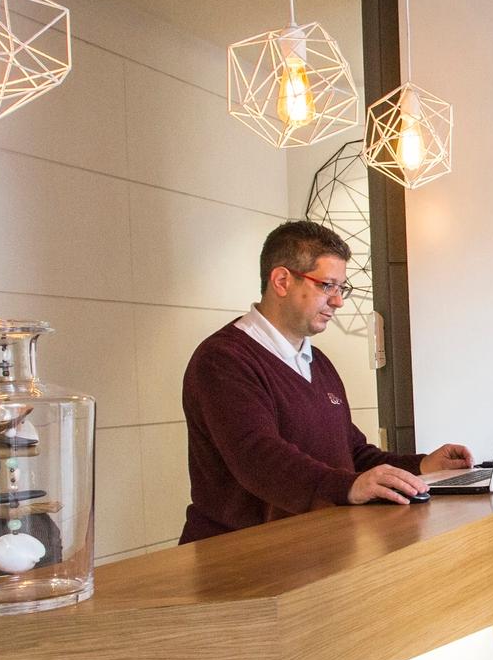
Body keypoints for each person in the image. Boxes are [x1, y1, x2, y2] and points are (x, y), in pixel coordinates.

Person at [179, 219, 471, 543]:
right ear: (281, 281)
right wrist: (347, 487)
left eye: (341, 288)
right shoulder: (223, 360)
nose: (338, 301)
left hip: (312, 549)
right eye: (327, 286)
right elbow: (258, 458)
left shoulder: (317, 363)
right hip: (239, 557)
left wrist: (424, 466)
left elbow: (353, 454)